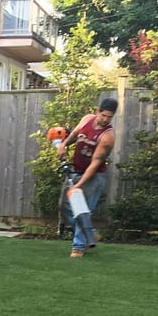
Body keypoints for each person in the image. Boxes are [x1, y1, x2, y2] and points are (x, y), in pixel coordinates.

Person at [56, 98, 118, 258]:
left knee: (83, 211)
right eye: (103, 115)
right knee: (64, 207)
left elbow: (95, 164)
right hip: (75, 170)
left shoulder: (108, 136)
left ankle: (78, 247)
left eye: (109, 117)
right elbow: (75, 135)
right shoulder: (86, 119)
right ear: (98, 111)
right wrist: (63, 145)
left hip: (93, 176)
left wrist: (79, 184)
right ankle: (89, 231)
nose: (105, 119)